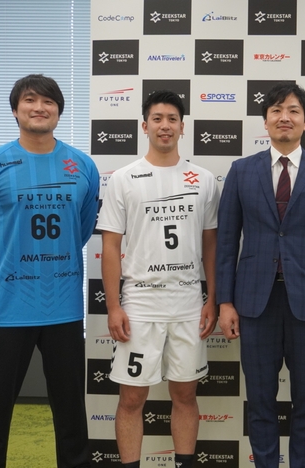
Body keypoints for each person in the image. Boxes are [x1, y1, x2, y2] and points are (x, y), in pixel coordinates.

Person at [0, 74, 99, 468]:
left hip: (63, 309)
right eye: (30, 100)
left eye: (48, 101)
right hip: (6, 309)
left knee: (71, 413)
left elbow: (81, 228)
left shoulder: (82, 166)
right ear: (15, 110)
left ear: (59, 110)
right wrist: (0, 274)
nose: (40, 108)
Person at [215, 83, 305, 468]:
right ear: (265, 121)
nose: (284, 117)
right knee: (260, 402)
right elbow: (227, 242)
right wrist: (225, 301)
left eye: (293, 110)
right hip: (254, 304)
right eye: (276, 110)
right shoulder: (241, 171)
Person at [98, 90, 219, 468]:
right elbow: (110, 247)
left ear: (183, 127)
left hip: (187, 302)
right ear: (144, 125)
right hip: (140, 303)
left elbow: (211, 245)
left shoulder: (203, 180)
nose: (164, 125)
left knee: (185, 395)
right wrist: (114, 306)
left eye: (172, 119)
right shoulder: (123, 178)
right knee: (132, 399)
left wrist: (212, 299)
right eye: (157, 118)